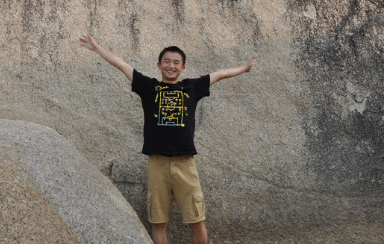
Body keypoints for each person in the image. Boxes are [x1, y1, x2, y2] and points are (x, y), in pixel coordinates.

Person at [78, 33, 256, 244]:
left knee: (197, 220)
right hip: (157, 163)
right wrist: (97, 48)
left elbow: (221, 74)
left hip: (185, 163)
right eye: (167, 61)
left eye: (176, 62)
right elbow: (121, 64)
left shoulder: (191, 87)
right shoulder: (149, 87)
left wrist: (244, 68)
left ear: (183, 68)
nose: (171, 65)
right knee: (158, 222)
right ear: (159, 65)